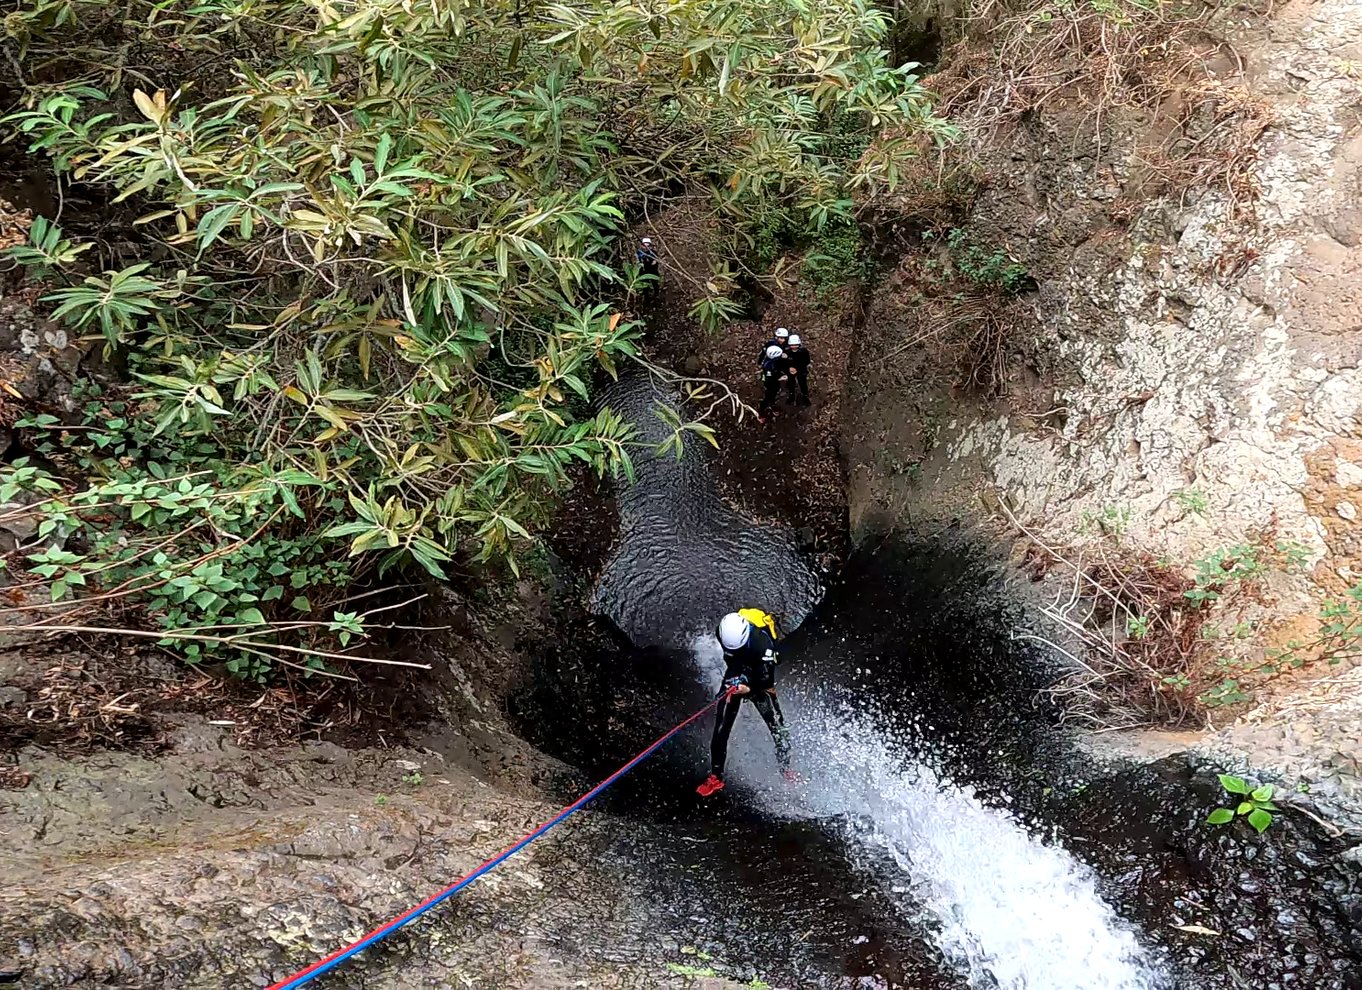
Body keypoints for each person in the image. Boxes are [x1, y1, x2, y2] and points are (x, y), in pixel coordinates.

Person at [696, 608, 795, 797]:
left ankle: (786, 768)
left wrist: (748, 689)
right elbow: (731, 660)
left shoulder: (763, 647)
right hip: (738, 668)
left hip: (760, 672)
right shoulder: (723, 633)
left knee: (777, 725)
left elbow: (765, 682)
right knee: (722, 723)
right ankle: (716, 776)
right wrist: (736, 681)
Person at [757, 343, 786, 423]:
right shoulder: (769, 367)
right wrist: (779, 378)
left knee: (774, 394)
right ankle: (761, 413)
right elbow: (770, 378)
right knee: (768, 397)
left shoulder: (773, 362)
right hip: (769, 383)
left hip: (773, 381)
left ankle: (773, 405)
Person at [784, 334, 811, 406]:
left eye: (796, 345)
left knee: (803, 384)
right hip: (790, 371)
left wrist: (797, 369)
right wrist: (788, 368)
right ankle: (791, 395)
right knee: (790, 383)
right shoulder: (787, 352)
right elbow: (784, 362)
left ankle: (805, 396)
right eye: (792, 345)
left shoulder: (803, 351)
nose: (794, 346)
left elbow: (807, 361)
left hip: (801, 370)